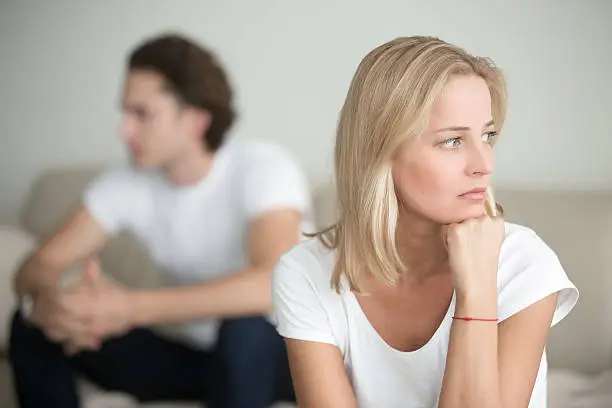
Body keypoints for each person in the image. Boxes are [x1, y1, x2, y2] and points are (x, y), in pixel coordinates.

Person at [271, 36, 579, 408]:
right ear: (380, 150)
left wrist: (478, 290)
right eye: (452, 141)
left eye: (487, 135)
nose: (484, 164)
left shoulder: (523, 263)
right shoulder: (305, 272)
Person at [9, 32, 312, 408]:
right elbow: (35, 267)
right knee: (29, 323)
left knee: (245, 329)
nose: (124, 130)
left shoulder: (263, 167)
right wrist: (53, 303)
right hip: (192, 360)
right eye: (125, 112)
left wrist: (131, 307)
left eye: (142, 114)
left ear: (197, 119)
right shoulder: (127, 181)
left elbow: (273, 283)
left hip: (275, 358)